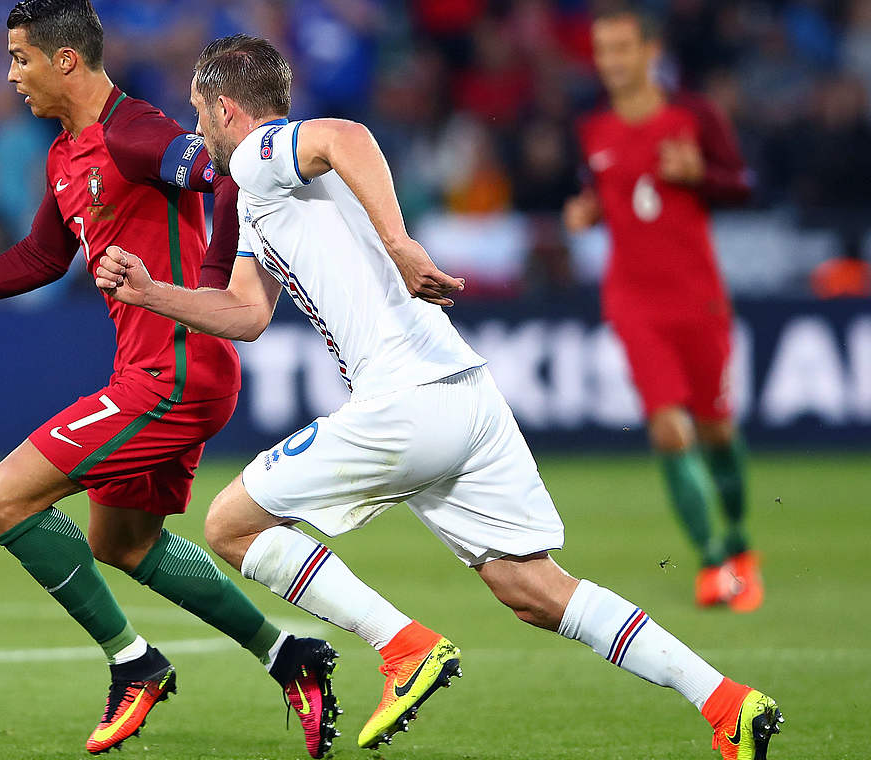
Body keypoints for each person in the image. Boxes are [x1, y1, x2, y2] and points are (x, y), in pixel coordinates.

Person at [95, 34, 783, 759]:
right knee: (532, 588)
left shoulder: (261, 155)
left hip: (404, 399)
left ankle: (402, 647)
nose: (196, 126)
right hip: (464, 393)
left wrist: (400, 244)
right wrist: (150, 292)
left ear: (226, 108)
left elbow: (346, 135)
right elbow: (246, 313)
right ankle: (725, 701)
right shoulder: (269, 192)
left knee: (230, 525)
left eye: (198, 110)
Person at [0, 2, 338, 756]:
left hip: (175, 372)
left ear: (65, 61)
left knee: (4, 498)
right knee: (121, 541)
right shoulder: (66, 154)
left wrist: (213, 279)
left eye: (20, 58)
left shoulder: (134, 132)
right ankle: (290, 656)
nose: (11, 75)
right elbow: (41, 257)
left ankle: (134, 663)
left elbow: (231, 170)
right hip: (157, 369)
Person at [563, 5, 762, 611]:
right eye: (603, 50)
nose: (611, 62)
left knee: (715, 428)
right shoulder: (591, 127)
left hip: (698, 297)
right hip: (634, 300)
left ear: (651, 51)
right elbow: (599, 192)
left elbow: (745, 185)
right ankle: (711, 562)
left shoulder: (694, 116)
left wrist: (703, 175)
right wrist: (587, 212)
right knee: (669, 429)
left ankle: (739, 543)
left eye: (622, 48)